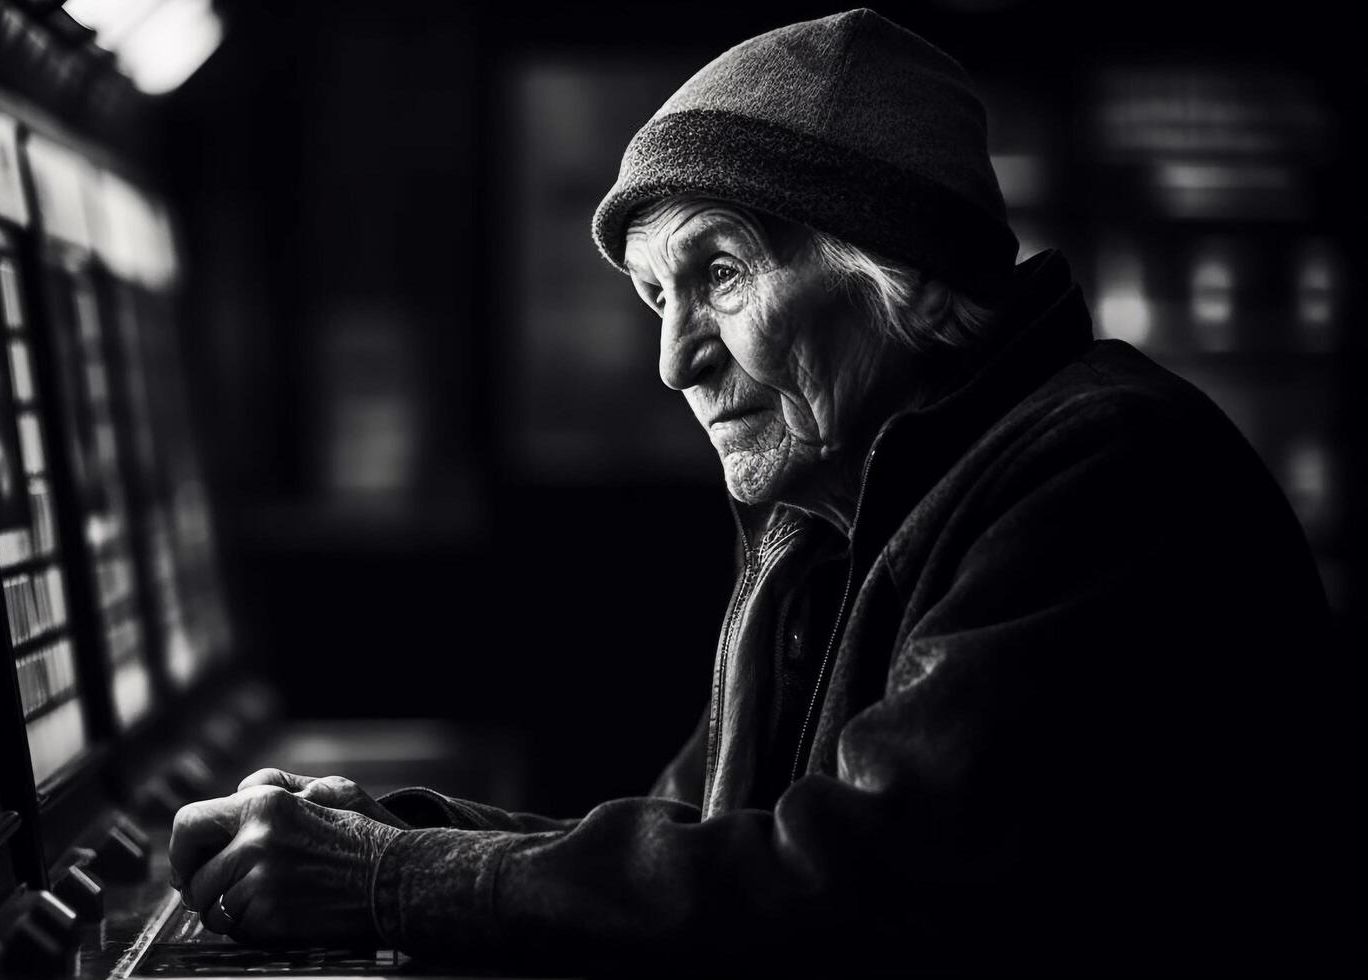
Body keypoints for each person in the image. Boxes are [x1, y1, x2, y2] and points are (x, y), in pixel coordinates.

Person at [170, 9, 1352, 974]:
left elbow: (859, 890)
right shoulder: (835, 505)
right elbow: (700, 849)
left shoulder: (1098, 469)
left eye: (718, 273)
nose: (672, 356)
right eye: (653, 297)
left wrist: (387, 880)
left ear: (904, 281)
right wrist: (380, 837)